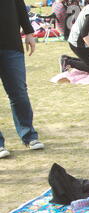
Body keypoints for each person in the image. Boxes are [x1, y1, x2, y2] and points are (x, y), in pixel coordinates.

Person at [0, 0, 45, 159]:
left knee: (19, 93)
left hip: (11, 45)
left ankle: (29, 136)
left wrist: (29, 33)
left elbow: (19, 6)